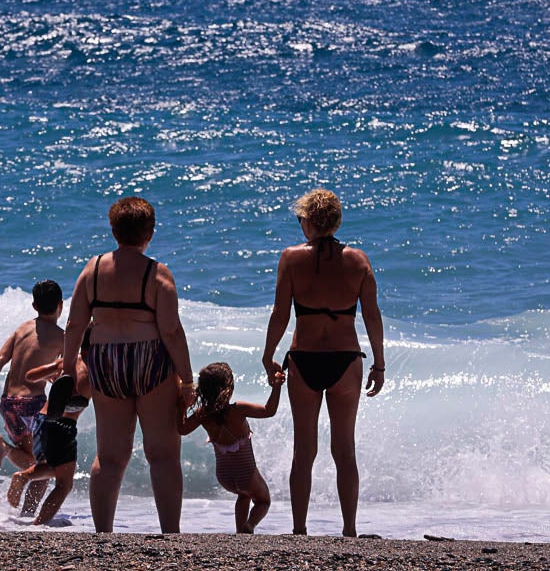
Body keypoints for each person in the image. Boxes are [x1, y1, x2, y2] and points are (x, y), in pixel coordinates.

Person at [62, 196, 196, 533]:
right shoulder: (156, 273)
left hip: (106, 363)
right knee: (162, 455)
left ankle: (103, 534)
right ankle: (170, 533)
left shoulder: (92, 270)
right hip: (150, 360)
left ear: (113, 229)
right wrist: (187, 380)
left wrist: (68, 367)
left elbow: (76, 324)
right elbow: (170, 330)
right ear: (150, 232)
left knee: (110, 457)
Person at [261, 188, 386, 537]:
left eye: (301, 218)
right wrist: (379, 362)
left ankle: (299, 530)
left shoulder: (290, 258)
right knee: (344, 448)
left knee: (304, 450)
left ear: (308, 222)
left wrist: (268, 353)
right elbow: (372, 316)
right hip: (347, 360)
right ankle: (349, 530)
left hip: (303, 359)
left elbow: (280, 313)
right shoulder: (358, 260)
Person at [0, 280, 65, 515]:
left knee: (31, 459)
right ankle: (28, 514)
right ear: (60, 305)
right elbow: (63, 370)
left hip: (8, 402)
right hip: (33, 406)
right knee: (42, 467)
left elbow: (0, 360)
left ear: (34, 305)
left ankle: (5, 451)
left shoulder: (21, 330)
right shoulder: (62, 337)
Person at [179, 362, 285, 533]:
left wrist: (182, 405)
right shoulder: (238, 410)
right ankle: (249, 526)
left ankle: (240, 533)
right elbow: (269, 410)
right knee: (263, 501)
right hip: (246, 473)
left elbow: (182, 429)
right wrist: (277, 387)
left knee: (243, 495)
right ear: (228, 389)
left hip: (224, 476)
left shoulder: (202, 414)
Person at [6, 337, 93, 526]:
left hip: (41, 420)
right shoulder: (96, 369)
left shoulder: (67, 362)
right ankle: (39, 523)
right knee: (64, 483)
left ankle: (26, 511)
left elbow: (31, 375)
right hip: (62, 425)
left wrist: (53, 376)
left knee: (51, 467)